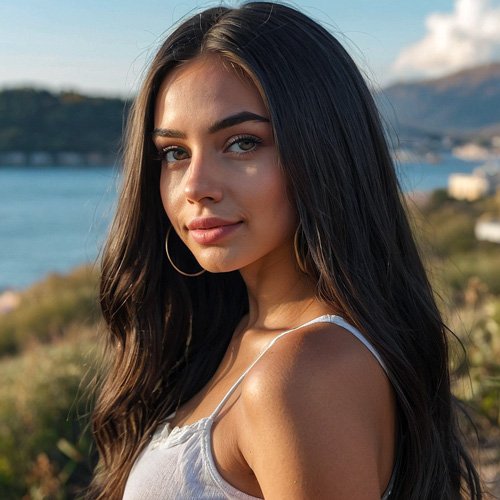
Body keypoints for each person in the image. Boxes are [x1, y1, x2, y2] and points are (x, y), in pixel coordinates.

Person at [89, 2, 482, 499]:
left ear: (323, 149)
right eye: (174, 152)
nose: (196, 186)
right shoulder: (235, 335)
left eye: (242, 143)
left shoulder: (301, 375)